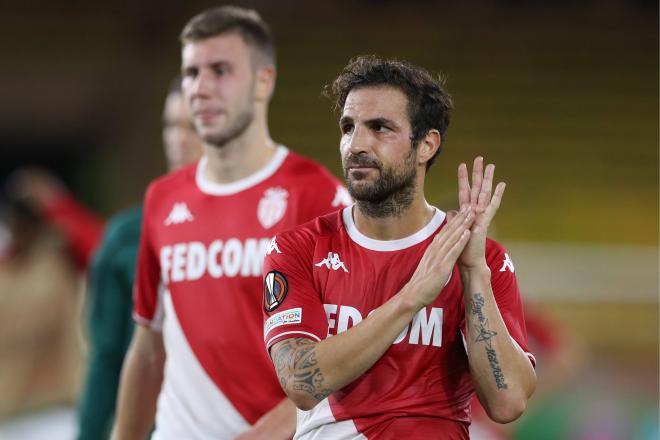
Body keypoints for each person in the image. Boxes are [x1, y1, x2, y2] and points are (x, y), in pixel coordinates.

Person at [263, 55, 537, 439]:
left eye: (379, 128)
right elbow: (301, 383)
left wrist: (474, 274)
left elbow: (508, 403)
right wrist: (411, 298)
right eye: (348, 127)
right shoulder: (299, 248)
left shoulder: (479, 257)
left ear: (426, 145)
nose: (356, 144)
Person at [112, 6, 350, 440]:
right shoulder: (162, 199)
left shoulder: (317, 196)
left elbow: (351, 357)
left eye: (220, 71)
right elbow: (148, 349)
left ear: (264, 81)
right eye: (191, 73)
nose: (199, 89)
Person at [76, 76, 203, 440]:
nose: (178, 140)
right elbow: (106, 356)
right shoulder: (126, 236)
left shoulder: (256, 233)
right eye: (170, 126)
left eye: (191, 127)